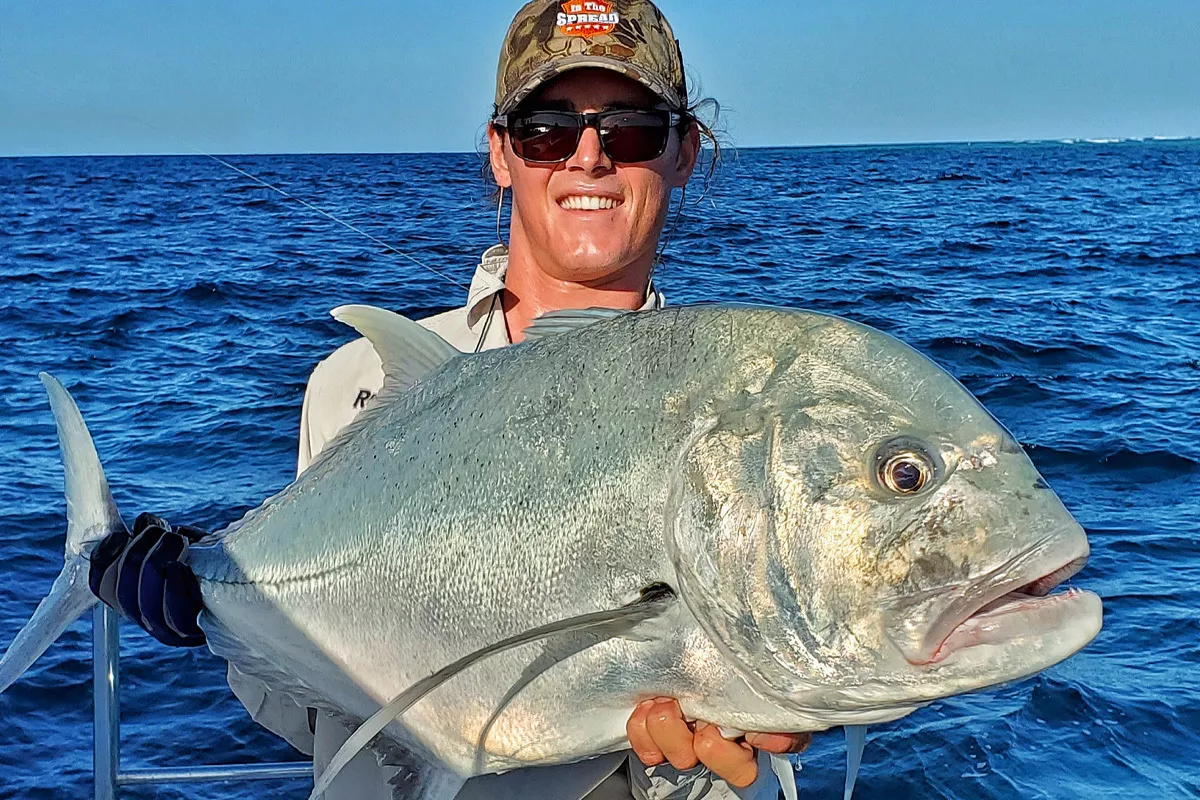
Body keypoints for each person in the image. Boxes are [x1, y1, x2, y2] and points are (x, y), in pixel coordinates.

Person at [88, 2, 810, 798]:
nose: (590, 158)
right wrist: (217, 610)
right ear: (502, 152)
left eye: (632, 128)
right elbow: (307, 719)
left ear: (683, 152)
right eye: (547, 128)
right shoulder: (355, 381)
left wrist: (702, 751)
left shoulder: (730, 423)